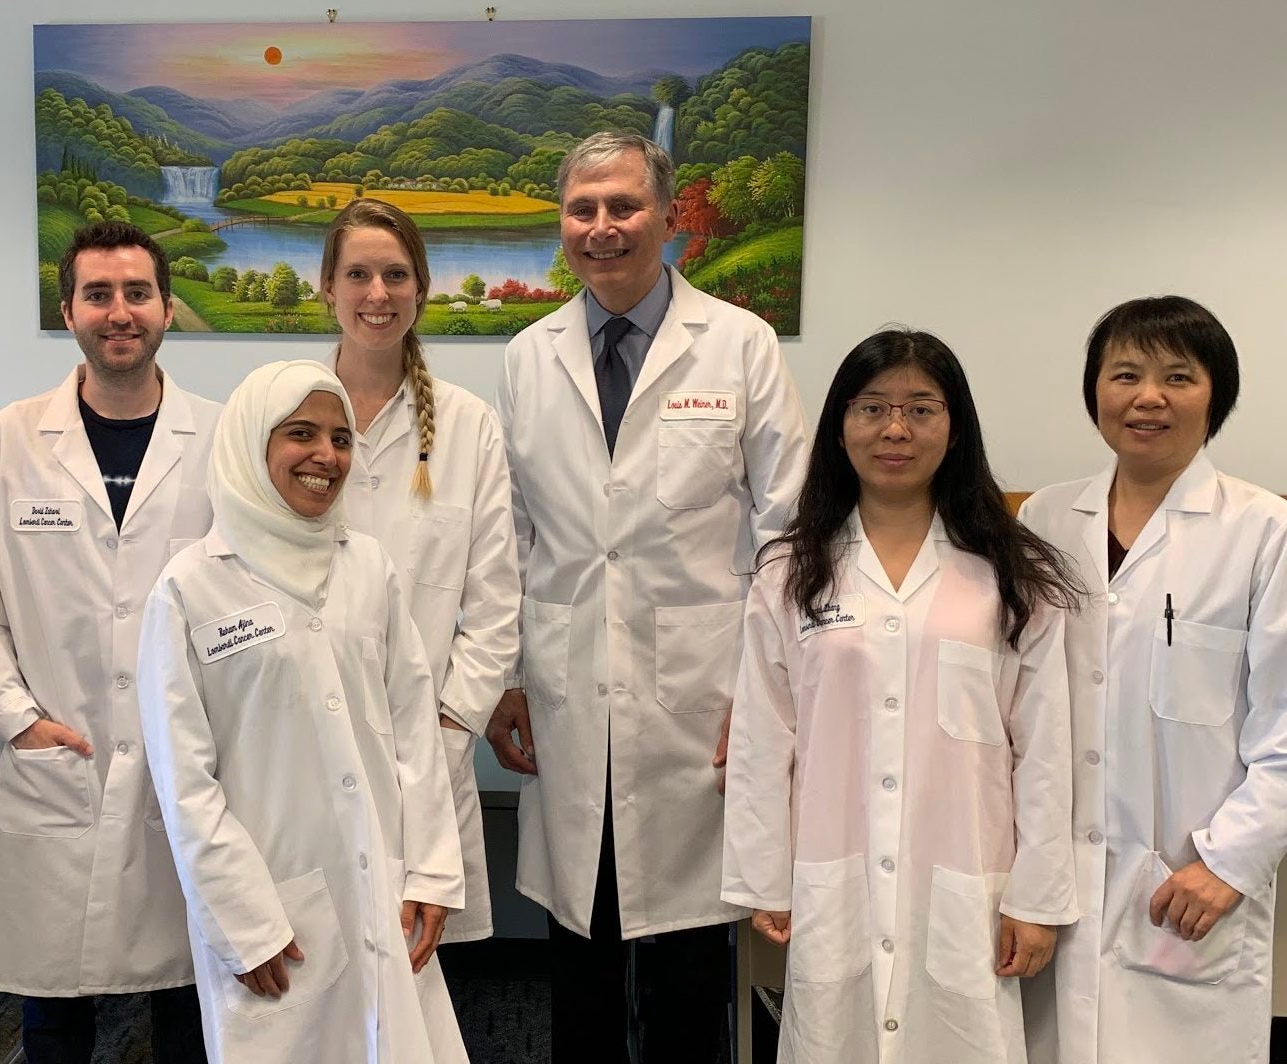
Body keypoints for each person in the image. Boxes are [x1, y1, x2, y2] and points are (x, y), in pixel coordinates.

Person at [489, 130, 809, 1059]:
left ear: (666, 216)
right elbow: (513, 531)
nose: (602, 228)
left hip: (700, 701)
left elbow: (785, 525)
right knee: (579, 963)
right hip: (566, 691)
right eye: (582, 209)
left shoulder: (739, 345)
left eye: (622, 206)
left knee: (686, 970)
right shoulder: (528, 356)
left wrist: (767, 691)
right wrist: (508, 677)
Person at [722, 329, 1082, 1062]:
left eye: (922, 409)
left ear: (955, 428)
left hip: (966, 879)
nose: (895, 429)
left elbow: (1044, 748)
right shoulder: (791, 571)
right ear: (840, 426)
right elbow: (764, 737)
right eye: (872, 407)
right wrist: (765, 877)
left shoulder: (1010, 574)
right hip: (835, 866)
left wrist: (1037, 899)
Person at [137, 360, 467, 1062]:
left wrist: (432, 869)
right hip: (275, 904)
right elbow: (184, 781)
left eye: (342, 438)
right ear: (252, 446)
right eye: (301, 433)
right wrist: (244, 920)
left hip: (384, 880)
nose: (326, 455)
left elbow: (413, 728)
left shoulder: (368, 567)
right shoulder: (190, 586)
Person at [0, 221, 218, 1061]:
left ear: (166, 308)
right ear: (67, 310)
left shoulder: (221, 439)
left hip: (185, 762)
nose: (119, 312)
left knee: (189, 1000)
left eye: (136, 293)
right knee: (52, 1003)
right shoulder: (10, 439)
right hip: (57, 754)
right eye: (97, 294)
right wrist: (16, 720)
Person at [1018, 296, 1287, 1064]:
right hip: (1055, 887)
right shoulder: (1043, 521)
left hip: (1188, 886)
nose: (1148, 397)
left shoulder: (1264, 531)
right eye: (1125, 374)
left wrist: (1229, 862)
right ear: (1094, 391)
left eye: (1178, 376)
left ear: (1216, 395)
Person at [320, 199, 519, 947]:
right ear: (327, 289)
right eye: (359, 274)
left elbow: (497, 601)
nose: (378, 294)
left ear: (422, 289)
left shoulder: (468, 426)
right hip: (308, 737)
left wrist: (452, 721)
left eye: (396, 275)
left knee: (418, 974)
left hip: (428, 745)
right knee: (318, 971)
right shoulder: (285, 414)